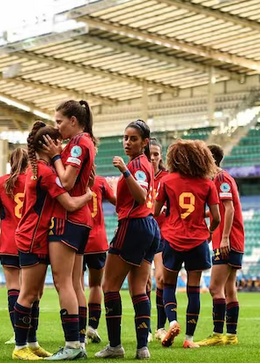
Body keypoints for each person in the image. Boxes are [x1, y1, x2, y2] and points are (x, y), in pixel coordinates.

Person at [11, 121, 92, 361]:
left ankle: (32, 343)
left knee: (34, 294)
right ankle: (19, 347)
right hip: (33, 236)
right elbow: (70, 203)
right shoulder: (46, 173)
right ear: (47, 145)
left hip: (33, 233)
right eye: (56, 141)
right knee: (27, 293)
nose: (61, 145)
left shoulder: (37, 170)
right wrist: (88, 194)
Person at [95, 120, 160, 360]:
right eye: (125, 138)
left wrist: (124, 171)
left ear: (144, 142)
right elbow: (131, 200)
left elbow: (141, 197)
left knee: (109, 286)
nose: (127, 142)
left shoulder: (137, 166)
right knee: (138, 289)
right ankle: (142, 348)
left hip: (133, 227)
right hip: (148, 227)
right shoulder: (143, 165)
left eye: (133, 138)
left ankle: (115, 346)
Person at [154, 140, 221, 349]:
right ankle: (189, 339)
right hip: (198, 241)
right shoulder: (207, 184)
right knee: (194, 289)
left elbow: (155, 212)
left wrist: (168, 212)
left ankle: (172, 322)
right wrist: (207, 234)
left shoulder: (167, 181)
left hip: (172, 239)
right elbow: (217, 218)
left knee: (168, 285)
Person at [43, 100, 96, 351]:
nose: (57, 127)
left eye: (59, 121)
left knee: (62, 281)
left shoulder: (77, 145)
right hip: (82, 219)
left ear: (73, 121)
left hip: (67, 219)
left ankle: (72, 345)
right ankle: (80, 342)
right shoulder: (84, 143)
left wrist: (54, 156)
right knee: (75, 284)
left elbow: (65, 181)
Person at [196, 144, 244, 347]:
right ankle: (231, 336)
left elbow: (229, 208)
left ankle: (217, 334)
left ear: (211, 160)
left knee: (215, 287)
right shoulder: (221, 178)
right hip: (233, 239)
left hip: (228, 239)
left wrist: (224, 238)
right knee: (229, 287)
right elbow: (224, 211)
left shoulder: (221, 178)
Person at [0, 148, 29, 344]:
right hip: (31, 241)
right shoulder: (33, 180)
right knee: (30, 290)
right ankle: (31, 334)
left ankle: (16, 334)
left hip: (9, 241)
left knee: (13, 286)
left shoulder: (1, 182)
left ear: (10, 162)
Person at [84, 171, 116, 344]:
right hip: (97, 240)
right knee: (95, 285)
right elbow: (117, 202)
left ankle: (79, 330)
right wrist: (113, 188)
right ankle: (92, 327)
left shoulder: (71, 180)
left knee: (74, 286)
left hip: (76, 239)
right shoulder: (100, 181)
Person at [147, 138, 169, 340]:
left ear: (160, 156)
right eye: (150, 154)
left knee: (161, 280)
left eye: (156, 154)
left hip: (163, 234)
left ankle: (161, 327)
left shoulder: (167, 177)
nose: (153, 158)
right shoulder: (138, 174)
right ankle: (144, 327)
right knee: (144, 283)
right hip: (143, 233)